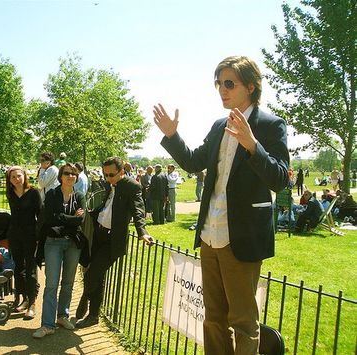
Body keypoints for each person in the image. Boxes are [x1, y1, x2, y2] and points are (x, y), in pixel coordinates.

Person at [153, 56, 289, 354]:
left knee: (242, 321)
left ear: (251, 86)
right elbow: (191, 161)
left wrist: (253, 146)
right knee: (213, 319)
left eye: (229, 83)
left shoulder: (270, 125)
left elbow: (280, 179)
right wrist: (171, 135)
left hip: (241, 237)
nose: (222, 90)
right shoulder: (218, 126)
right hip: (209, 235)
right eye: (219, 83)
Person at [75, 157, 154, 328]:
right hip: (99, 234)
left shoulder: (132, 186)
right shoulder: (107, 184)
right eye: (105, 175)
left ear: (122, 172)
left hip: (113, 240)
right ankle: (93, 315)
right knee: (97, 275)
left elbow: (138, 210)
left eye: (111, 175)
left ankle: (85, 298)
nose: (108, 178)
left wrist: (142, 232)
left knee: (91, 274)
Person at [33, 163, 86, 338]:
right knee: (51, 284)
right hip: (53, 242)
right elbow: (51, 218)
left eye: (74, 174)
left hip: (72, 243)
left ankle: (62, 316)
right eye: (68, 173)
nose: (71, 176)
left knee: (68, 283)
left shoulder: (79, 196)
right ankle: (47, 324)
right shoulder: (52, 195)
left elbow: (81, 219)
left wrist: (63, 219)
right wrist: (71, 218)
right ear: (61, 176)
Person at [6, 166, 42, 320]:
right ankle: (22, 298)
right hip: (15, 235)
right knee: (18, 268)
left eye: (19, 176)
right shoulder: (10, 193)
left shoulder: (33, 193)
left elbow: (40, 215)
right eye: (13, 177)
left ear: (24, 176)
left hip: (30, 235)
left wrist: (40, 235)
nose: (16, 179)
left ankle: (32, 302)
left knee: (30, 269)